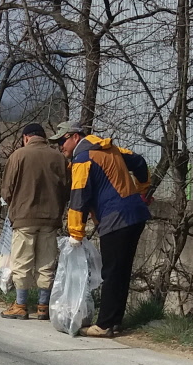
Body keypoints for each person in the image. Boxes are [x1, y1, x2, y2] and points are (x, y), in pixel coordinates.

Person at [65, 124, 152, 338]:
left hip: (116, 218)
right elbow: (139, 162)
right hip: (136, 214)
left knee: (111, 272)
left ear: (75, 137)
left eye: (61, 141)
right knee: (121, 270)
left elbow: (79, 197)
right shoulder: (110, 149)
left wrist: (76, 233)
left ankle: (104, 325)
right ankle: (115, 322)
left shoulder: (83, 159)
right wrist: (143, 189)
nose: (60, 147)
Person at [0, 123, 68, 320]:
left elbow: (7, 190)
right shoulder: (59, 157)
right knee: (46, 263)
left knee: (22, 261)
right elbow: (66, 188)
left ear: (26, 137)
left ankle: (21, 305)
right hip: (51, 219)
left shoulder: (19, 155)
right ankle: (43, 307)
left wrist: (14, 205)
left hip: (24, 218)